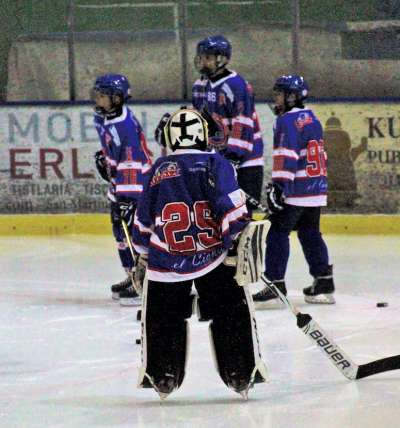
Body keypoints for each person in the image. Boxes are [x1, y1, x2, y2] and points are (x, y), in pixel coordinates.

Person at [132, 107, 267, 399]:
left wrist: (141, 253)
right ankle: (239, 370)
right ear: (203, 135)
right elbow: (232, 211)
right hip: (213, 256)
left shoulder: (158, 170)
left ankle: (163, 372)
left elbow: (142, 222)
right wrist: (237, 240)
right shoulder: (216, 164)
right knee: (230, 310)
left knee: (163, 315)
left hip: (166, 259)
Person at [252, 75, 335, 308]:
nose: (275, 98)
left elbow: (287, 156)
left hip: (296, 189)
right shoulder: (312, 118)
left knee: (277, 232)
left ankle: (275, 284)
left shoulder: (287, 121)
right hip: (315, 188)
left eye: (279, 94)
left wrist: (279, 187)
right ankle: (323, 281)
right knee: (310, 232)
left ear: (291, 96)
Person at [92, 73, 152, 306]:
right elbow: (114, 152)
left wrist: (127, 198)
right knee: (120, 233)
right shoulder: (105, 119)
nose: (98, 100)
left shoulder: (124, 125)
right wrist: (105, 159)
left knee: (135, 234)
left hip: (135, 185)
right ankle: (132, 276)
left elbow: (132, 161)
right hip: (121, 183)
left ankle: (143, 281)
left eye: (102, 96)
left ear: (116, 99)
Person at [192, 35, 264, 214]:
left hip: (246, 162)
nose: (202, 62)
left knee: (244, 216)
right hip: (220, 161)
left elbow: (243, 123)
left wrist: (234, 157)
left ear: (221, 60)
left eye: (207, 57)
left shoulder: (236, 85)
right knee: (220, 214)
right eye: (201, 57)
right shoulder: (200, 86)